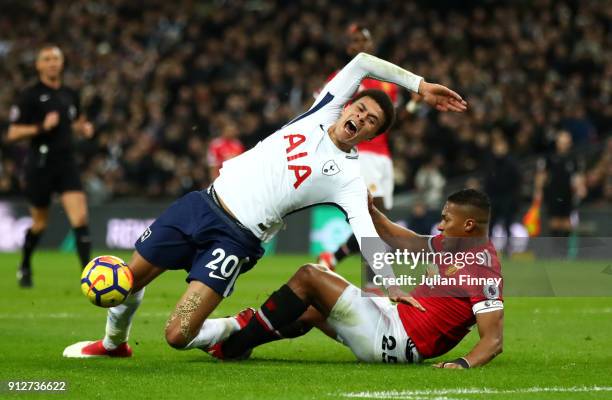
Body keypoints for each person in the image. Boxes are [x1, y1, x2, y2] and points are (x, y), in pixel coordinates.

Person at [63, 52, 467, 358]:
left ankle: (231, 327)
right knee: (128, 279)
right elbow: (362, 62)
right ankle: (114, 344)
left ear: (370, 135)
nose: (361, 118)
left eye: (371, 122)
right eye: (360, 109)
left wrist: (389, 282)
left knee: (178, 335)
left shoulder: (347, 178)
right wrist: (418, 85)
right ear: (346, 106)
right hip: (202, 205)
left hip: (236, 241)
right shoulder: (320, 111)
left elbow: (365, 229)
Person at [203, 189, 503, 368]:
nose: (440, 226)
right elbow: (406, 241)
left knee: (311, 275)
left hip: (399, 340)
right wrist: (370, 212)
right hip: (394, 317)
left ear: (469, 225)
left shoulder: (482, 268)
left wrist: (462, 364)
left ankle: (234, 343)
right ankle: (242, 341)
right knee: (309, 309)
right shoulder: (455, 246)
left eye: (446, 220)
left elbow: (493, 339)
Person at [6, 45, 94, 287]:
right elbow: (12, 133)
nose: (52, 63)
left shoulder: (69, 94)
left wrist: (82, 128)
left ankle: (89, 276)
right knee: (40, 224)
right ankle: (24, 265)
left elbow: (75, 121)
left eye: (56, 58)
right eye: (47, 59)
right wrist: (40, 127)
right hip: (40, 165)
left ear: (62, 63)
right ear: (38, 65)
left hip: (66, 163)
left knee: (80, 219)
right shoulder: (30, 96)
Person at [317, 24, 399, 271]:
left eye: (365, 40)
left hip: (383, 156)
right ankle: (373, 281)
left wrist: (414, 107)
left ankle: (334, 258)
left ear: (371, 45)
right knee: (375, 217)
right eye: (355, 41)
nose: (361, 45)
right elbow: (324, 111)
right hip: (362, 153)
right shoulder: (342, 78)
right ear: (349, 48)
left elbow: (392, 121)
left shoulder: (388, 82)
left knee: (381, 219)